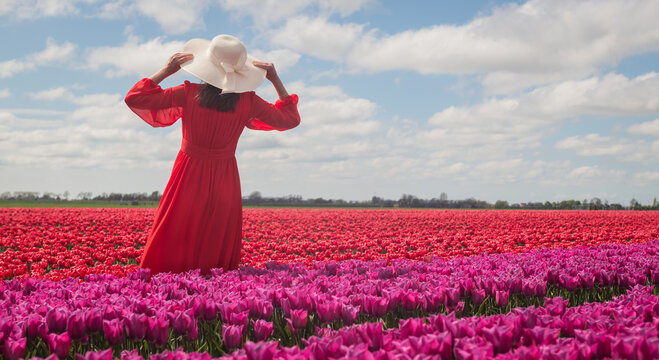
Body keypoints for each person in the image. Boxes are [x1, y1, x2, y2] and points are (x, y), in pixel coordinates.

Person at [124, 34, 300, 277]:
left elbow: (135, 98)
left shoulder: (188, 93)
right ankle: (213, 291)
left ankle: (164, 291)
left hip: (187, 173)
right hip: (225, 177)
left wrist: (166, 71)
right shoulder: (248, 101)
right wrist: (275, 80)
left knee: (176, 228)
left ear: (208, 67)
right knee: (215, 234)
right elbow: (290, 119)